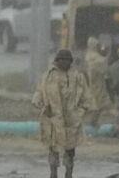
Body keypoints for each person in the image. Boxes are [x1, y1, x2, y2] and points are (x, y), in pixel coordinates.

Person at [33, 49, 89, 178]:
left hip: (71, 120)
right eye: (61, 60)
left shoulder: (77, 76)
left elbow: (86, 98)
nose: (64, 62)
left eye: (67, 60)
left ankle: (69, 174)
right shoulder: (48, 75)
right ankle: (53, 174)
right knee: (53, 148)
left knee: (70, 150)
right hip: (53, 118)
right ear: (57, 61)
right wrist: (41, 105)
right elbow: (39, 92)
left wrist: (79, 113)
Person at [81, 39, 111, 127]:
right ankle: (92, 122)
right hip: (96, 81)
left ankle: (93, 121)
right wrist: (107, 53)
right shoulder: (95, 57)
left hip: (94, 80)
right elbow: (103, 67)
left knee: (99, 103)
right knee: (99, 103)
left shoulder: (89, 55)